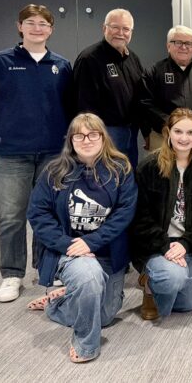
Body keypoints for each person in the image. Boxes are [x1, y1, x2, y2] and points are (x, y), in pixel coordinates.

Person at [0, 4, 73, 303]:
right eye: (31, 23)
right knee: (12, 216)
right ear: (20, 27)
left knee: (50, 214)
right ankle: (12, 274)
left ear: (51, 29)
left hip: (54, 153)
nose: (37, 28)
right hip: (12, 153)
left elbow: (71, 110)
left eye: (43, 24)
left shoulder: (62, 65)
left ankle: (46, 268)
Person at [25, 113, 136, 363]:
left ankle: (58, 304)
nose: (86, 140)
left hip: (107, 252)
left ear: (103, 137)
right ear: (71, 140)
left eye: (93, 134)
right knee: (89, 276)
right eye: (79, 135)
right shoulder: (54, 171)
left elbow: (125, 213)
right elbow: (38, 214)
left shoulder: (121, 169)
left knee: (105, 316)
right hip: (70, 251)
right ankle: (86, 344)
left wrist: (91, 242)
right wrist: (68, 244)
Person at [139, 25, 192, 262]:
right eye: (178, 42)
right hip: (163, 137)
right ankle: (160, 240)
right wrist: (171, 128)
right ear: (169, 45)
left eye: (190, 43)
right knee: (162, 189)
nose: (184, 47)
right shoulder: (154, 71)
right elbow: (145, 102)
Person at [129, 108, 192, 320]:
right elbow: (140, 217)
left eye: (190, 132)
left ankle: (160, 280)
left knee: (189, 303)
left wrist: (185, 244)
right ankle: (150, 286)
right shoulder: (148, 167)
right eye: (178, 131)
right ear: (168, 132)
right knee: (173, 278)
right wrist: (164, 245)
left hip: (186, 245)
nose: (184, 138)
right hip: (154, 245)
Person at [73, 8, 145, 168]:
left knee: (127, 176)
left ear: (131, 32)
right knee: (105, 178)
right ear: (104, 28)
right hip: (104, 133)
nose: (120, 33)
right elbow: (82, 104)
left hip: (131, 132)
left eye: (126, 29)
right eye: (115, 27)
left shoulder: (133, 58)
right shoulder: (89, 59)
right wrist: (91, 137)